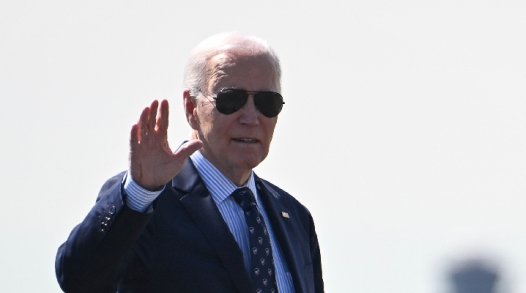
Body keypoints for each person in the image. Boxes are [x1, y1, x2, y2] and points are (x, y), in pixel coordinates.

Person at [55, 33, 324, 293]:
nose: (251, 118)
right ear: (191, 107)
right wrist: (139, 193)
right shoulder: (146, 204)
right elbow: (78, 279)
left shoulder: (294, 217)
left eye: (268, 102)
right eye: (232, 100)